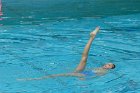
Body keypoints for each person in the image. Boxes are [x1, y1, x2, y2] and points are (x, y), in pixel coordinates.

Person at [18, 26, 115, 81]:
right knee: (83, 58)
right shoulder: (101, 69)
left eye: (109, 65)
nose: (107, 64)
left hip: (83, 75)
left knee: (63, 73)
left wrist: (83, 79)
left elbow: (93, 76)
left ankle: (34, 79)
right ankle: (91, 38)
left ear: (111, 68)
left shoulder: (105, 72)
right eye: (107, 63)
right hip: (82, 73)